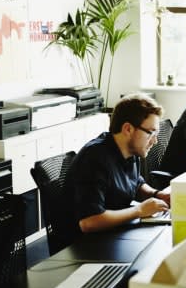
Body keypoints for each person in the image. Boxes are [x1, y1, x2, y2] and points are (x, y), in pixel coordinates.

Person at [67, 93, 171, 233]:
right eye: (151, 133)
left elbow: (136, 183)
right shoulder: (94, 158)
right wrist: (139, 210)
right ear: (128, 129)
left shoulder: (130, 151)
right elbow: (89, 222)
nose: (155, 141)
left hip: (115, 230)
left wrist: (157, 195)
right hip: (86, 245)